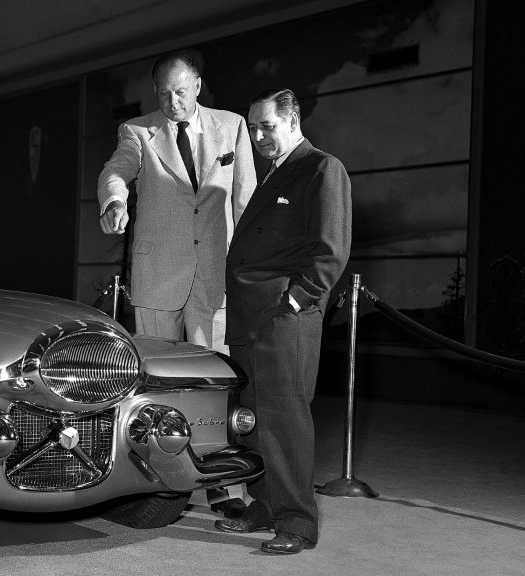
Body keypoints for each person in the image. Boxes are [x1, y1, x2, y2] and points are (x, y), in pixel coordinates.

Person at [97, 50, 256, 518]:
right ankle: (152, 489)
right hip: (157, 276)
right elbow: (116, 171)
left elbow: (244, 199)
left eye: (180, 92)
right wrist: (113, 200)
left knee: (216, 385)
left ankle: (225, 488)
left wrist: (244, 269)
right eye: (164, 94)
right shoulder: (138, 131)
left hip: (213, 276)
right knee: (153, 387)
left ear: (199, 86)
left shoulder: (233, 127)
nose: (172, 102)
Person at [216, 89, 352, 555]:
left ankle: (297, 522)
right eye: (253, 129)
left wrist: (296, 301)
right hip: (250, 318)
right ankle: (265, 505)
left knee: (285, 420)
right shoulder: (276, 174)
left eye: (267, 127)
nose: (257, 137)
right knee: (253, 419)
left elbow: (331, 249)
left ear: (292, 120)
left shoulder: (320, 168)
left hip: (282, 319)